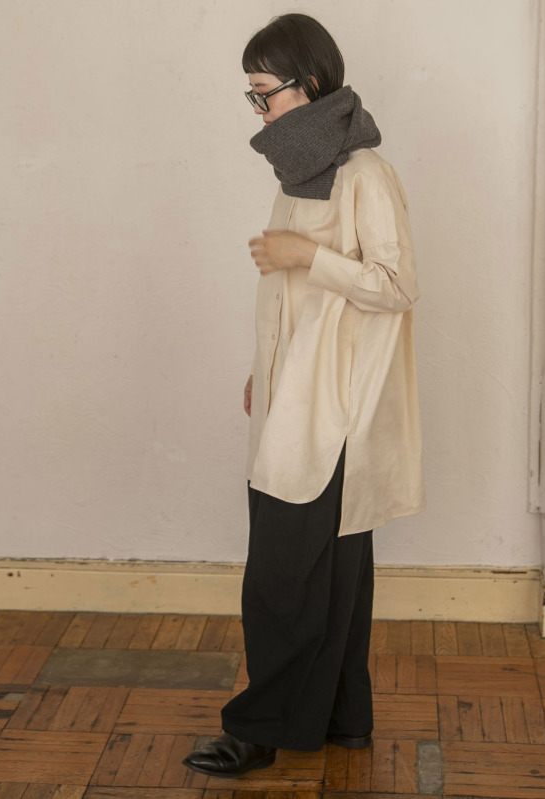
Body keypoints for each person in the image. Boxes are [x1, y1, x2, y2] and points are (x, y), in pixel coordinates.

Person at [183, 12, 425, 779]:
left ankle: (258, 728)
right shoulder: (302, 171)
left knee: (284, 577)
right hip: (300, 394)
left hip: (336, 407)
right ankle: (343, 716)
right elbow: (295, 301)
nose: (258, 110)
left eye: (266, 92)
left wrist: (307, 255)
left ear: (310, 83)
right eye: (251, 95)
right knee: (335, 568)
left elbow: (397, 285)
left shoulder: (364, 174)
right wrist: (268, 367)